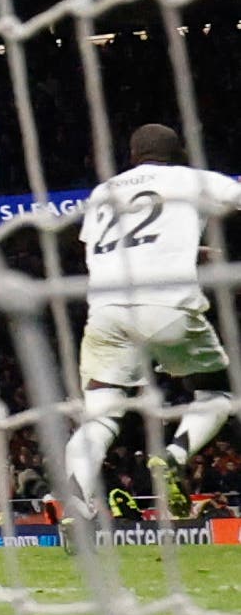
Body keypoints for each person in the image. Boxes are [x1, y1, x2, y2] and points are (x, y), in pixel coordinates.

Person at [55, 124, 241, 531]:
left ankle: (76, 502)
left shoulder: (102, 193)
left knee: (100, 417)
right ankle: (173, 456)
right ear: (178, 152)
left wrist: (187, 251)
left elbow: (124, 245)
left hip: (106, 311)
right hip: (167, 306)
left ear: (133, 155)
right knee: (216, 391)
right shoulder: (189, 179)